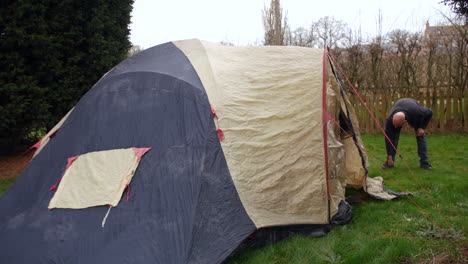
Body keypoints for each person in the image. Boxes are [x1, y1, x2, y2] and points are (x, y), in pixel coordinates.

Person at [382, 98, 433, 169]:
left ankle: (424, 163)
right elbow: (388, 139)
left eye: (398, 125)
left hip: (412, 110)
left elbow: (430, 112)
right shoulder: (390, 120)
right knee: (394, 137)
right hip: (400, 105)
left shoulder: (417, 112)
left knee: (420, 136)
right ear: (393, 118)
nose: (396, 127)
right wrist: (389, 156)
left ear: (405, 121)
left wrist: (422, 127)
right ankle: (390, 161)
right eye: (395, 124)